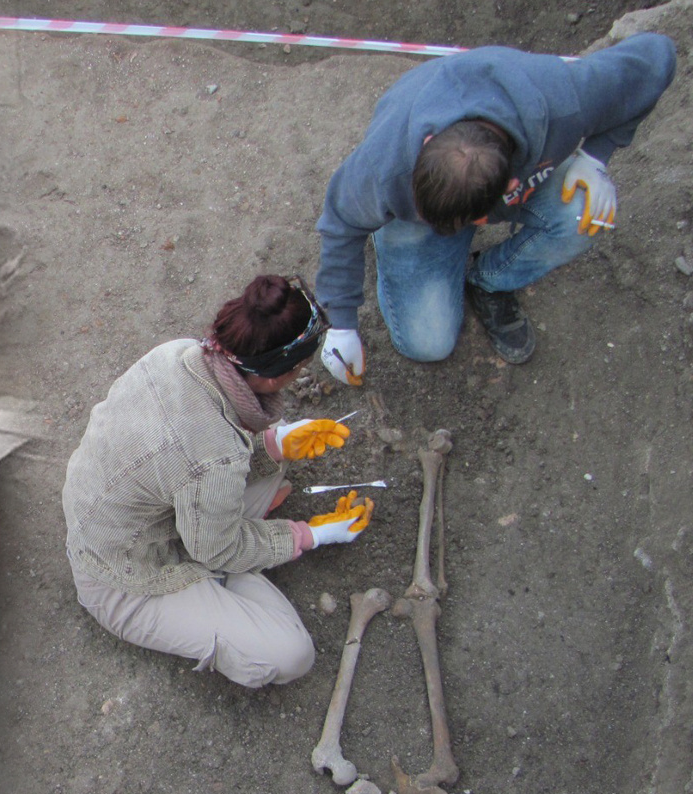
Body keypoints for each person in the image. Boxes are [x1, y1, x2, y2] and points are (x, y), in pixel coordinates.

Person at [63, 275, 375, 689]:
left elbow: (191, 455)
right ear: (279, 372)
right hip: (121, 576)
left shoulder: (179, 353)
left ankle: (230, 545)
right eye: (301, 368)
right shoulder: (217, 457)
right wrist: (305, 536)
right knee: (291, 655)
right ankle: (224, 575)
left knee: (266, 457)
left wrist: (275, 443)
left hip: (120, 512)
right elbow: (216, 536)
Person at [314, 33, 677, 383]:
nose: (447, 229)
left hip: (520, 160)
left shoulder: (565, 101)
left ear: (512, 188)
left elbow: (656, 56)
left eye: (462, 223)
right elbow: (341, 220)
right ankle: (391, 229)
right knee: (428, 344)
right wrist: (341, 323)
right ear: (427, 142)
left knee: (586, 214)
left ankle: (490, 280)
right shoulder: (385, 165)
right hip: (422, 199)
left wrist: (595, 156)